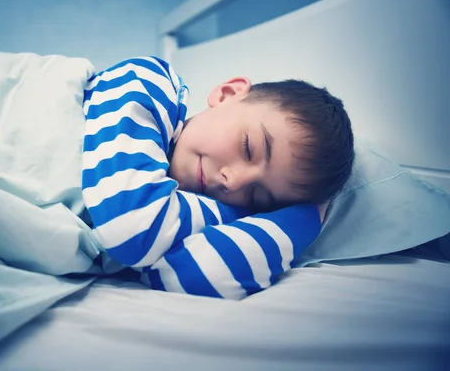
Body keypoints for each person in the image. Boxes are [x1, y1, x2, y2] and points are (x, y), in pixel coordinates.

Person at [81, 56, 354, 300]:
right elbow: (130, 230)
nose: (233, 182)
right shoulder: (147, 81)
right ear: (227, 94)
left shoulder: (173, 226)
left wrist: (305, 218)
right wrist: (240, 211)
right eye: (248, 147)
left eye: (256, 195)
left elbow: (202, 276)